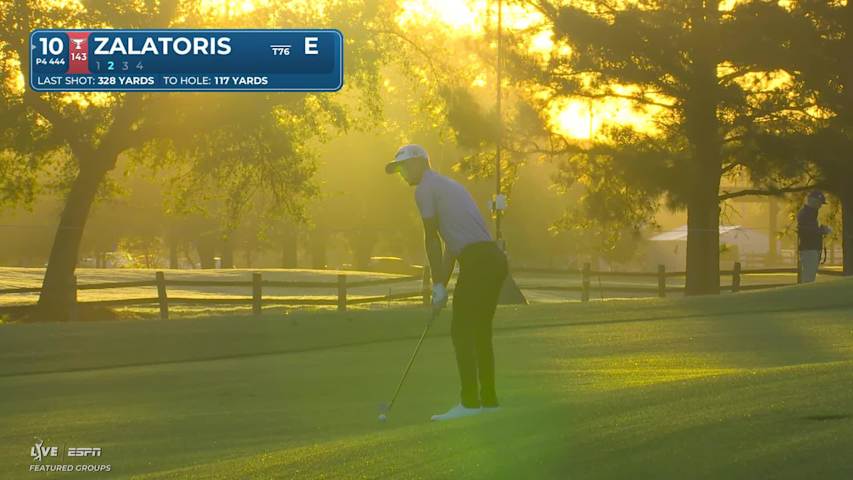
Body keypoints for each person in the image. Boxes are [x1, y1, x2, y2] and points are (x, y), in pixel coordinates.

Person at [386, 144, 508, 421]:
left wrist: (438, 285)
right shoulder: (450, 186)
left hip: (478, 261)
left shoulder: (424, 190)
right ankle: (488, 401)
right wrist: (441, 284)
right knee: (479, 332)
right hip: (493, 260)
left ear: (419, 163)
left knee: (460, 331)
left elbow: (431, 237)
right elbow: (452, 246)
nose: (402, 174)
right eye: (399, 169)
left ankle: (469, 403)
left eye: (404, 167)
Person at [797, 190, 832, 283]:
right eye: (819, 203)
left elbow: (811, 228)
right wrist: (822, 230)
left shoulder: (811, 214)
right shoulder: (806, 214)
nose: (820, 206)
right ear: (813, 201)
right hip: (809, 249)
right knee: (808, 277)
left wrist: (821, 228)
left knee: (810, 276)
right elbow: (808, 231)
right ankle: (804, 295)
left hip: (812, 248)